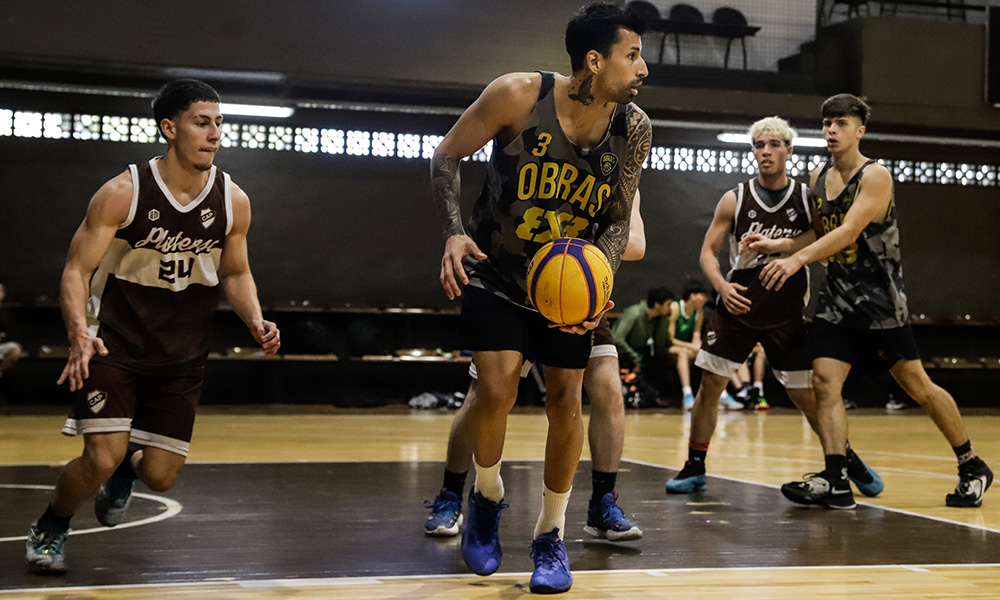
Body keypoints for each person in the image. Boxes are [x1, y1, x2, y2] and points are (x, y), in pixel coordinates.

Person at [431, 2, 650, 593]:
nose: (644, 69)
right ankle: (488, 496)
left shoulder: (634, 130)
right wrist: (454, 230)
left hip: (564, 284)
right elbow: (446, 154)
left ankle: (550, 536)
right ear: (595, 60)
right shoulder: (518, 96)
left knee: (565, 403)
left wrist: (597, 283)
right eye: (634, 55)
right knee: (494, 392)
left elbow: (615, 219)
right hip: (495, 272)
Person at [25, 79, 281, 573]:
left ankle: (127, 468)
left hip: (182, 352)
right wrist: (79, 331)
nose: (214, 134)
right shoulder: (122, 193)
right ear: (169, 127)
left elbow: (236, 271)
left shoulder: (233, 201)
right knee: (99, 458)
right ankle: (52, 524)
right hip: (114, 342)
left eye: (219, 123)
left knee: (161, 476)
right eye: (201, 123)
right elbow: (76, 271)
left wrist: (255, 318)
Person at [755, 94, 991, 509]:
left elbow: (847, 231)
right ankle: (836, 478)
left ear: (859, 130)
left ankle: (972, 464)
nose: (831, 129)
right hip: (837, 301)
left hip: (880, 303)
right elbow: (817, 233)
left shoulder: (875, 175)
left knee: (918, 387)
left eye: (841, 123)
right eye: (827, 122)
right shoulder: (815, 177)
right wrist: (781, 245)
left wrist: (795, 260)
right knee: (825, 383)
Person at [665, 116, 881, 501]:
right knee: (710, 385)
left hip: (785, 310)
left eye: (773, 145)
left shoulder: (804, 196)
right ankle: (695, 466)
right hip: (739, 303)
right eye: (759, 145)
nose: (765, 151)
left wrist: (780, 247)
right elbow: (707, 253)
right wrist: (721, 286)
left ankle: (845, 459)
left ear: (788, 151)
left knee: (806, 397)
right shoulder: (735, 197)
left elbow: (823, 235)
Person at [425, 194, 647, 544]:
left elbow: (636, 244)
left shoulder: (620, 170)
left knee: (607, 385)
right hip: (516, 285)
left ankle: (602, 502)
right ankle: (450, 494)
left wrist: (583, 253)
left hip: (573, 288)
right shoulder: (541, 152)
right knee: (485, 394)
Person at [669, 280, 740, 410]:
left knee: (709, 353)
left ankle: (722, 394)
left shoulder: (698, 312)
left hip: (686, 347)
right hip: (671, 348)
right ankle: (687, 395)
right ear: (692, 296)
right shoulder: (675, 308)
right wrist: (692, 347)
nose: (705, 299)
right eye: (702, 295)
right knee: (683, 353)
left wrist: (701, 347)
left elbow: (696, 335)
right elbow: (671, 339)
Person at [0, 280, 24, 379]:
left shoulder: (6, 312)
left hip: (2, 345)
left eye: (0, 291)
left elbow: (12, 333)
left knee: (16, 350)